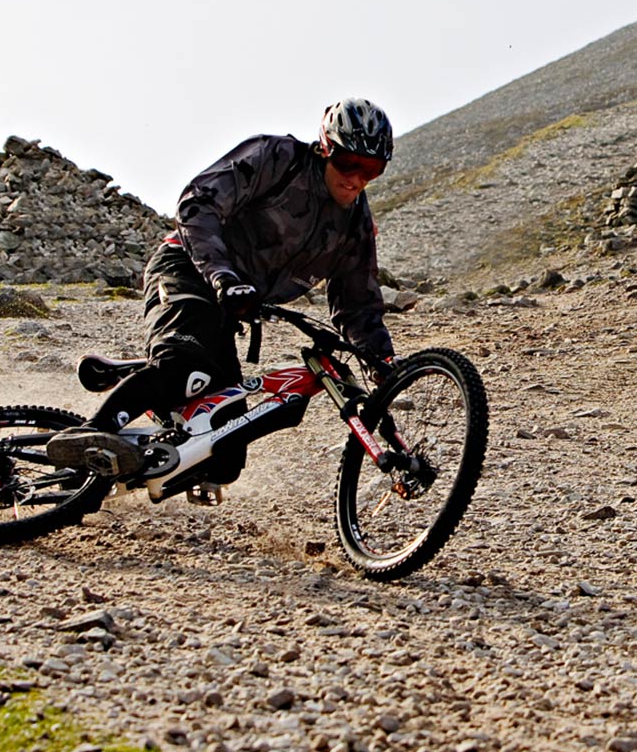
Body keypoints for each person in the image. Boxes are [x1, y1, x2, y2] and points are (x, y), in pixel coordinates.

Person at [73, 100, 400, 482]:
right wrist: (223, 276)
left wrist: (382, 362)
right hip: (189, 268)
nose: (356, 179)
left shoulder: (355, 225)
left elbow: (358, 305)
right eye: (348, 163)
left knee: (223, 456)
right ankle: (88, 435)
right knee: (184, 366)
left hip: (231, 308)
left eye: (372, 170)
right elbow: (199, 203)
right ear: (326, 147)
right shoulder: (278, 158)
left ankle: (133, 434)